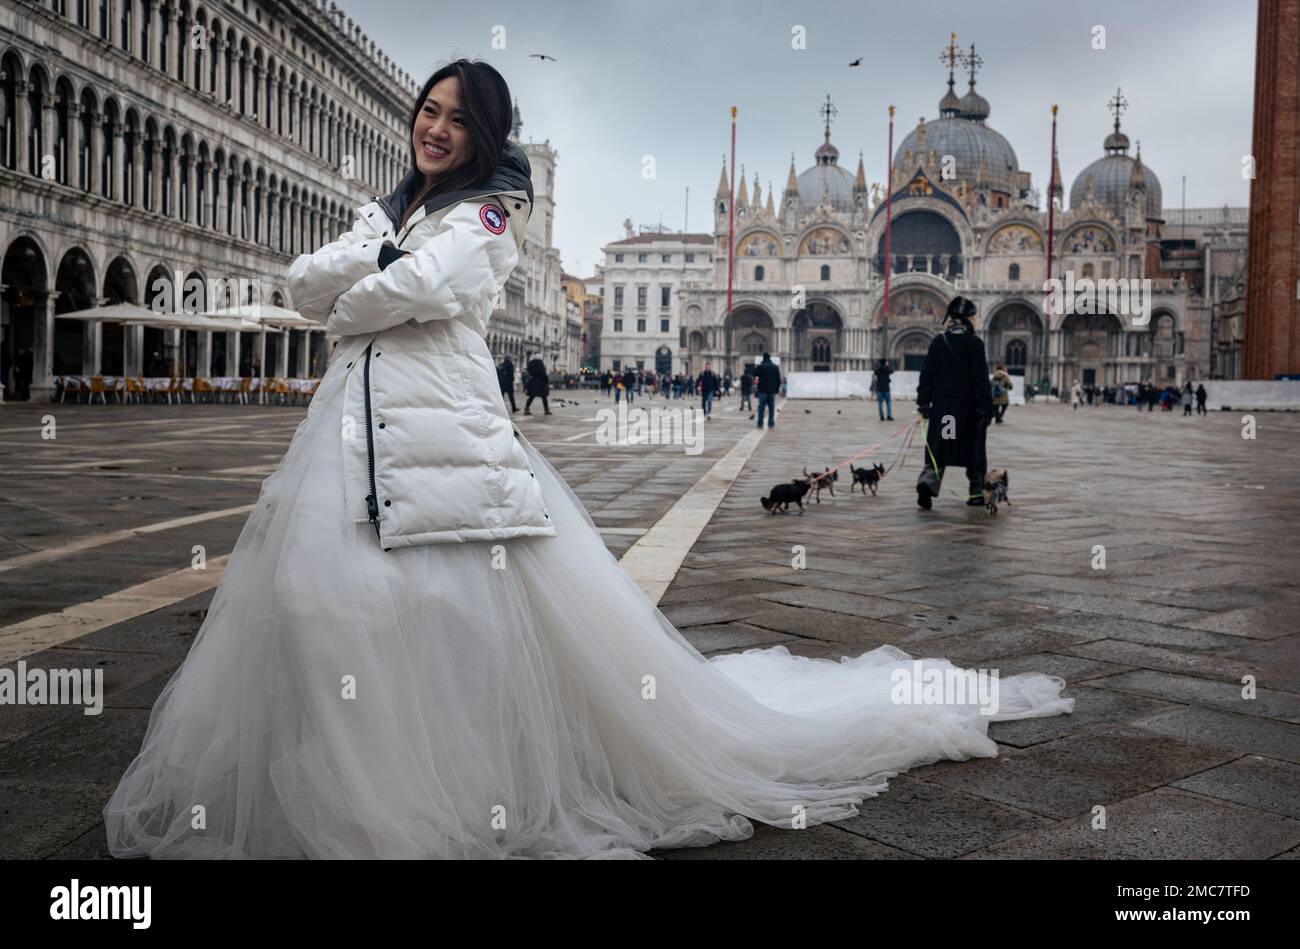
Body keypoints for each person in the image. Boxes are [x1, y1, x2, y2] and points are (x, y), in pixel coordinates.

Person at [103, 59, 1071, 861]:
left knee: (416, 610)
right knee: (321, 606)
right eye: (426, 112)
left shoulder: (485, 220)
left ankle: (426, 796)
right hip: (348, 438)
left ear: (486, 138)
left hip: (440, 444)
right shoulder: (395, 215)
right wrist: (366, 262)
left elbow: (362, 304)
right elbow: (309, 286)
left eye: (456, 118)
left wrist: (362, 275)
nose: (434, 128)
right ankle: (364, 789)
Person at [915, 296, 993, 509]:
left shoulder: (939, 342)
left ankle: (927, 484)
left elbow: (927, 375)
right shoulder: (974, 343)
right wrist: (986, 409)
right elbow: (980, 379)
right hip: (968, 411)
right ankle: (976, 491)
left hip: (945, 410)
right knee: (972, 449)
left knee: (941, 446)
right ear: (968, 318)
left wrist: (924, 402)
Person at [753, 352, 780, 428]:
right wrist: (776, 390)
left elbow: (754, 373)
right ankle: (770, 424)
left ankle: (760, 423)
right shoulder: (775, 367)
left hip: (762, 390)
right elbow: (778, 380)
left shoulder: (761, 366)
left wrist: (759, 365)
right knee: (771, 409)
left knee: (761, 408)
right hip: (771, 391)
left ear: (763, 358)